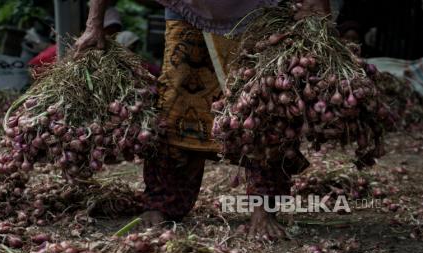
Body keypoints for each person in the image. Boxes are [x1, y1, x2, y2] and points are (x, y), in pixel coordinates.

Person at [75, 0, 330, 238]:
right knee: (175, 100)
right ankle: (161, 203)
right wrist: (94, 23)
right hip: (188, 7)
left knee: (262, 99)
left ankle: (264, 207)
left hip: (258, 7)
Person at [29, 6, 122, 74]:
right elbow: (34, 68)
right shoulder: (76, 47)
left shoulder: (107, 51)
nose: (112, 33)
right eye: (110, 29)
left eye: (115, 30)